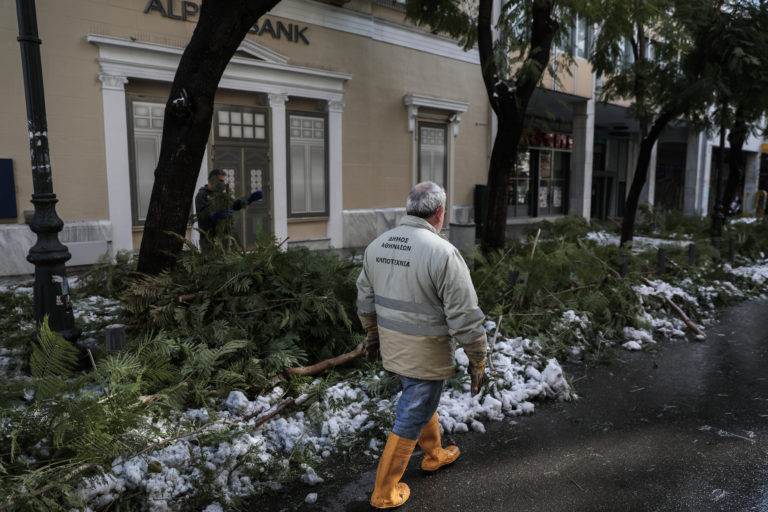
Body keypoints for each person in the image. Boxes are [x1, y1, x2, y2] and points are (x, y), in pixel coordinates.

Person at [356, 181, 487, 509]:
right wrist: (478, 358)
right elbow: (466, 315)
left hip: (393, 348)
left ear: (410, 209)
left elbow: (364, 300)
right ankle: (384, 490)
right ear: (440, 213)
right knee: (413, 410)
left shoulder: (377, 246)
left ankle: (434, 453)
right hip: (426, 353)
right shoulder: (442, 253)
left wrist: (372, 336)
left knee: (419, 399)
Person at [194, 169, 262, 252]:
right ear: (212, 180)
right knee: (210, 262)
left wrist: (249, 199)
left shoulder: (222, 195)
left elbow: (235, 205)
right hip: (208, 239)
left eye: (223, 181)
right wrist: (216, 214)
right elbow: (202, 214)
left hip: (223, 238)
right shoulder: (201, 195)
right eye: (220, 181)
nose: (223, 183)